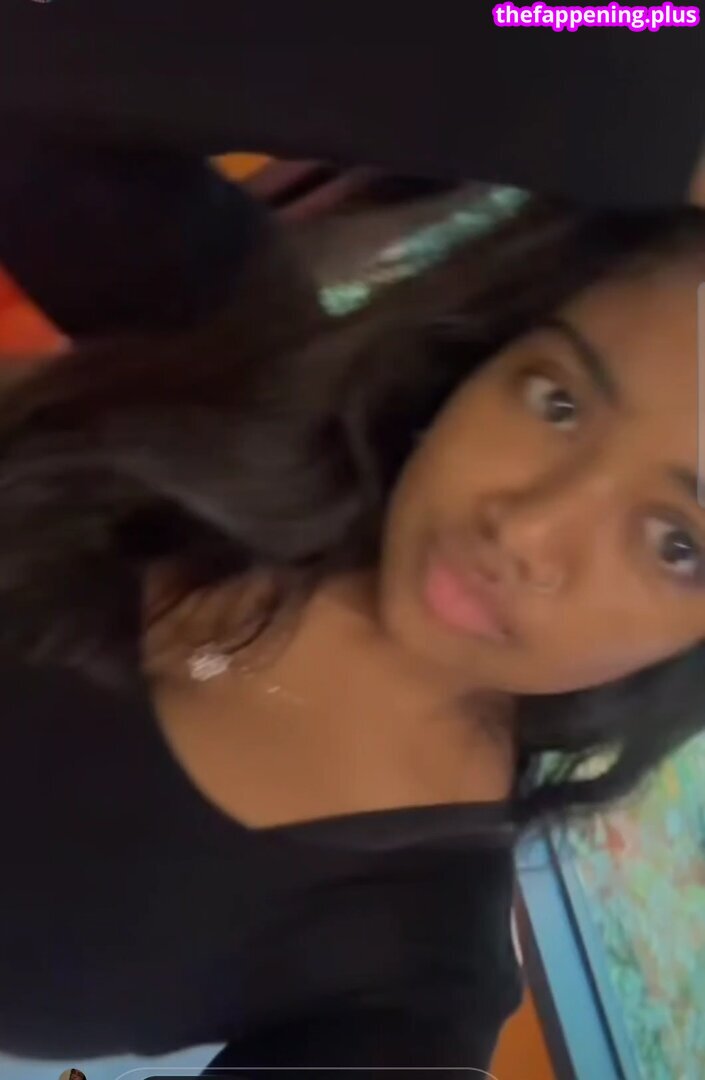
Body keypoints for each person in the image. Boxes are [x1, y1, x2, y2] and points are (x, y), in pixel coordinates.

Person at [3, 194, 705, 1076]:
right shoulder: (243, 351)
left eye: (675, 544)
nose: (526, 531)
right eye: (556, 401)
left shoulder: (410, 978)